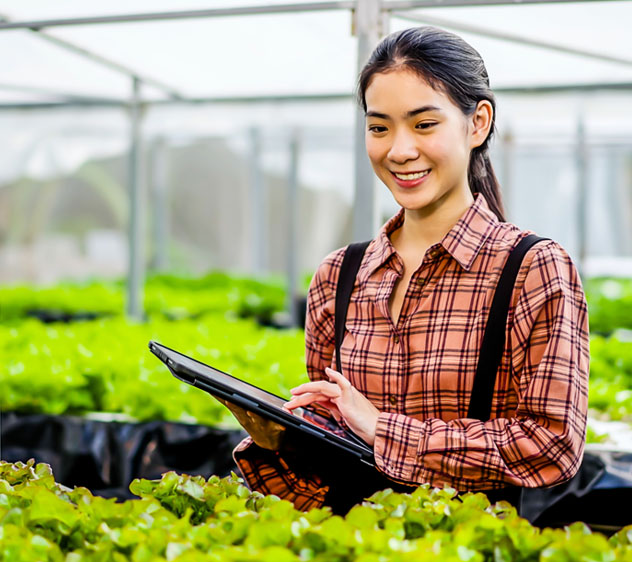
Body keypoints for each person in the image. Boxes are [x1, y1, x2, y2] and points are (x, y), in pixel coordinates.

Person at [227, 26, 590, 511]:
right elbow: (336, 453)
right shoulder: (339, 275)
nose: (398, 150)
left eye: (423, 124)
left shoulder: (532, 269)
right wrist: (285, 435)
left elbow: (551, 447)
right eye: (379, 127)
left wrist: (382, 429)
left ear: (477, 123)